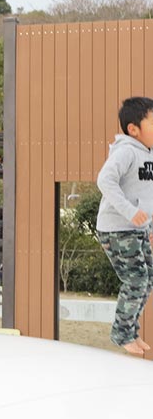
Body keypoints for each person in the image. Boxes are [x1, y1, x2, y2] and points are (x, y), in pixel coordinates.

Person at [95, 96, 153, 356]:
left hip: (138, 229)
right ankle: (121, 334)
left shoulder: (148, 154)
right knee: (136, 279)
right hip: (116, 227)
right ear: (133, 129)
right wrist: (131, 212)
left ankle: (130, 331)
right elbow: (105, 181)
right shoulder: (126, 151)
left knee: (148, 279)